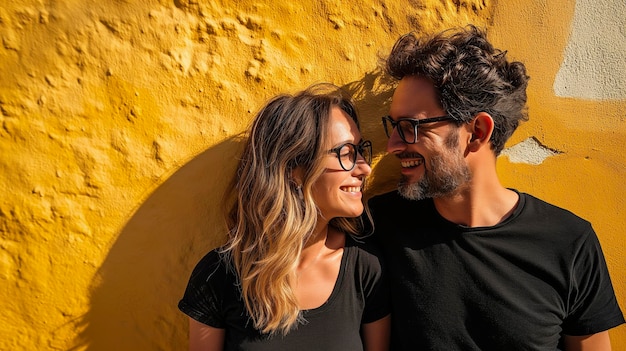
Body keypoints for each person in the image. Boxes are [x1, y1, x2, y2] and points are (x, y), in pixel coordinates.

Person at [368, 25, 624, 350]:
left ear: (477, 131)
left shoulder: (568, 243)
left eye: (410, 127)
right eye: (394, 126)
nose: (391, 145)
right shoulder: (381, 228)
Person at [179, 83, 391, 351]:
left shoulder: (365, 269)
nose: (365, 168)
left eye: (360, 150)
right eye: (347, 153)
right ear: (294, 168)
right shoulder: (218, 277)